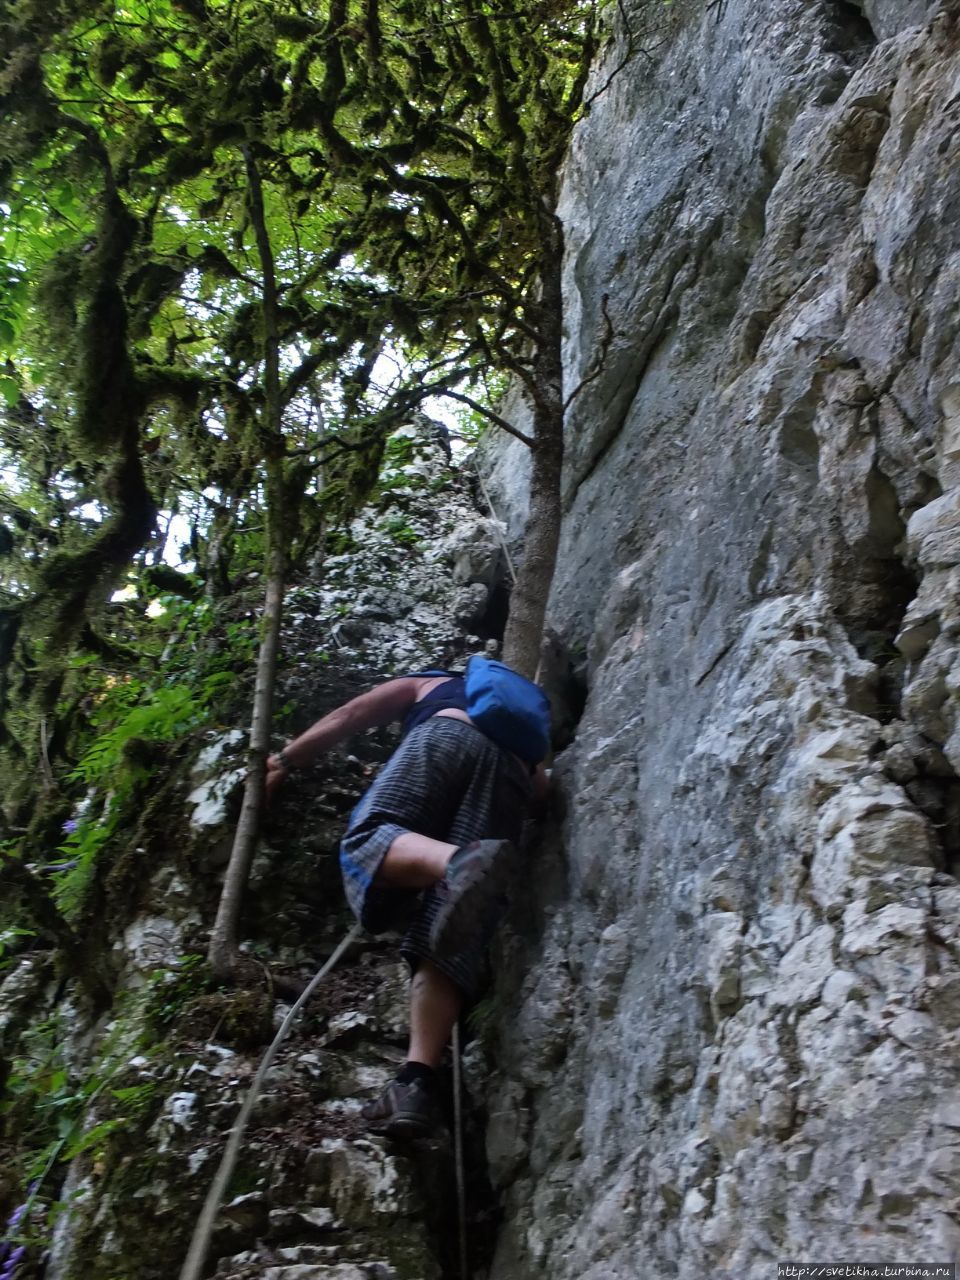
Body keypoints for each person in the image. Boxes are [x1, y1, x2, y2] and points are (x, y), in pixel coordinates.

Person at [265, 668, 549, 1139]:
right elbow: (542, 791)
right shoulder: (518, 735)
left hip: (445, 735)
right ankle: (415, 1081)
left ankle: (458, 862)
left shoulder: (432, 683)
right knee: (446, 933)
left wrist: (285, 761)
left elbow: (351, 714)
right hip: (513, 774)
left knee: (368, 840)